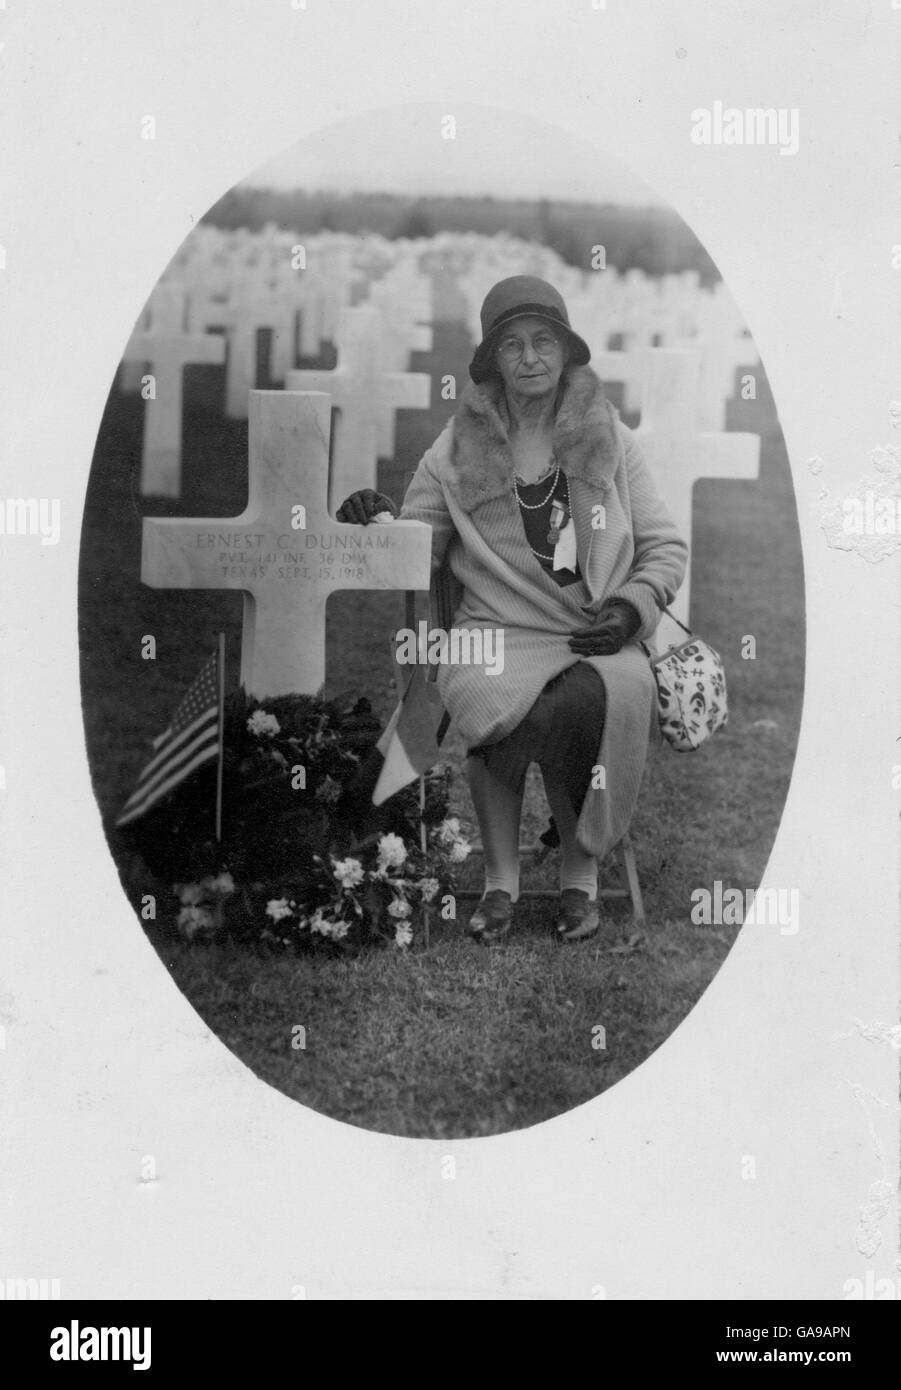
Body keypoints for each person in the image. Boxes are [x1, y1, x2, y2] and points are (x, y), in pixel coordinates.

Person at [338, 276, 687, 944]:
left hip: (596, 636)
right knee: (490, 693)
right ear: (492, 360)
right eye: (513, 345)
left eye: (544, 341)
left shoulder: (607, 439)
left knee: (587, 699)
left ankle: (579, 880)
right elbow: (419, 543)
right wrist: (376, 519)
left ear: (564, 351)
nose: (530, 358)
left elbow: (663, 547)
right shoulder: (453, 451)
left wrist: (630, 608)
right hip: (492, 636)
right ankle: (501, 882)